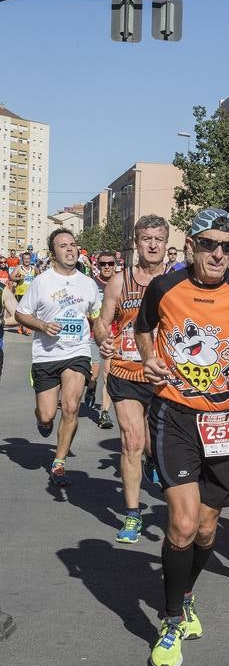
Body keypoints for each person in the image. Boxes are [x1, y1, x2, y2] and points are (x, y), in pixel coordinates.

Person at [135, 208, 229, 666]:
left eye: (228, 246)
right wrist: (149, 358)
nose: (219, 253)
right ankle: (171, 619)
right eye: (209, 244)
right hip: (175, 414)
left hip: (225, 421)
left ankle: (184, 593)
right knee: (181, 524)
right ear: (191, 247)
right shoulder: (164, 287)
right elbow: (144, 330)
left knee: (205, 528)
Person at [94, 216, 169, 543]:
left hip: (164, 375)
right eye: (146, 239)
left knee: (155, 445)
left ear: (166, 244)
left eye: (158, 239)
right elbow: (102, 322)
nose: (152, 245)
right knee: (131, 440)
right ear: (136, 243)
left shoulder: (178, 280)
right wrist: (103, 339)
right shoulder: (119, 282)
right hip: (126, 371)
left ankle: (154, 460)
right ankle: (133, 513)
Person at [15, 228, 101, 486]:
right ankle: (43, 418)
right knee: (46, 415)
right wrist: (41, 325)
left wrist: (101, 346)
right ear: (53, 253)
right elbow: (21, 314)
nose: (70, 249)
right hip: (46, 354)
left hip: (77, 352)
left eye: (73, 244)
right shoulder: (42, 281)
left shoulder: (88, 283)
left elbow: (97, 319)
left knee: (72, 406)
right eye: (63, 246)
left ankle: (59, 463)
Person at [89, 251, 117, 429]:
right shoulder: (91, 284)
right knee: (93, 375)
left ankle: (105, 413)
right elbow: (86, 309)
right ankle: (90, 388)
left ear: (115, 265)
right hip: (93, 336)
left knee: (108, 374)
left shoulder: (120, 283)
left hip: (113, 337)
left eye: (110, 264)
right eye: (103, 264)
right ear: (97, 266)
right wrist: (97, 324)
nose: (107, 267)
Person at [11, 251, 36, 335]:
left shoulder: (33, 268)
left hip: (30, 293)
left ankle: (28, 327)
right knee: (21, 311)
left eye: (28, 259)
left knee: (30, 311)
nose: (26, 260)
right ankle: (20, 326)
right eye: (25, 259)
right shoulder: (19, 267)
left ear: (30, 259)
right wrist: (18, 278)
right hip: (20, 292)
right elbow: (11, 276)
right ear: (22, 259)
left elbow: (39, 277)